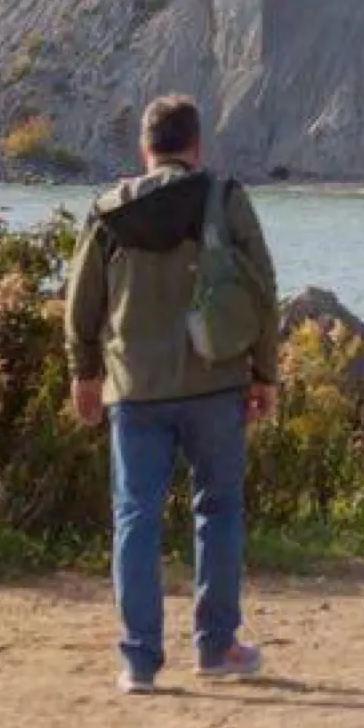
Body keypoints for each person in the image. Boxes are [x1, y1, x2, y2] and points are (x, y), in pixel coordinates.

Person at [67, 95, 281, 696]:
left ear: (145, 147)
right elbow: (263, 289)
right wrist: (264, 373)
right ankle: (216, 647)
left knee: (135, 516)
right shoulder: (225, 198)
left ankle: (139, 661)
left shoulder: (108, 210)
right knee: (219, 511)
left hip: (134, 389)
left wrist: (85, 373)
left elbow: (81, 302)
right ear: (196, 146)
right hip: (216, 382)